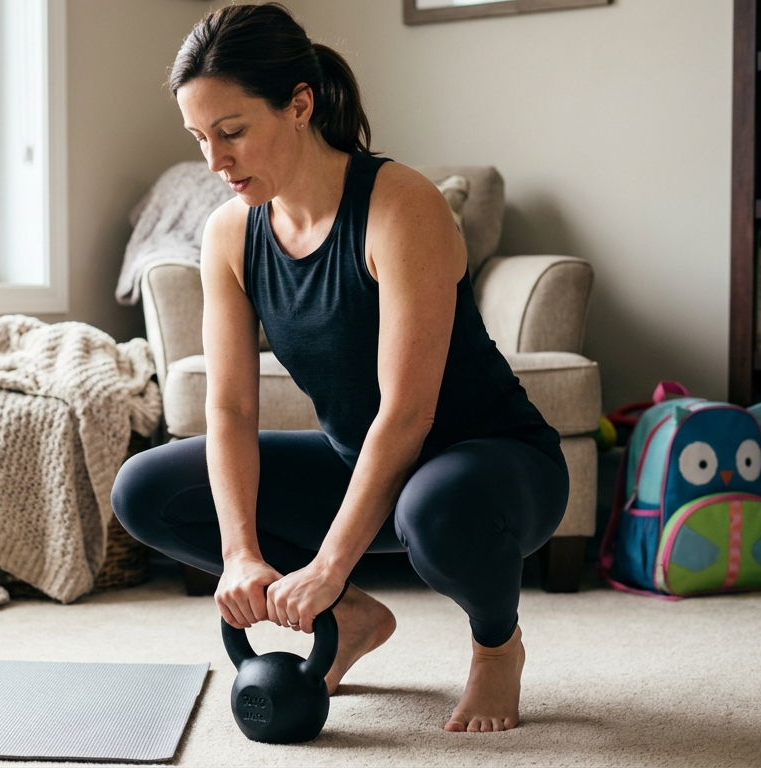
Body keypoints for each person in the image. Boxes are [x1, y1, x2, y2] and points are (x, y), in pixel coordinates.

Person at [110, 3, 568, 733]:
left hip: (492, 469)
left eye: (231, 132)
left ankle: (496, 644)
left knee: (435, 508)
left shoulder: (400, 205)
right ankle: (351, 618)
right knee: (147, 489)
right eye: (199, 137)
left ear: (300, 104)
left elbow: (407, 414)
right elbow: (228, 411)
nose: (215, 162)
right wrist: (240, 555)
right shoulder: (230, 233)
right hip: (361, 465)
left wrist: (325, 565)